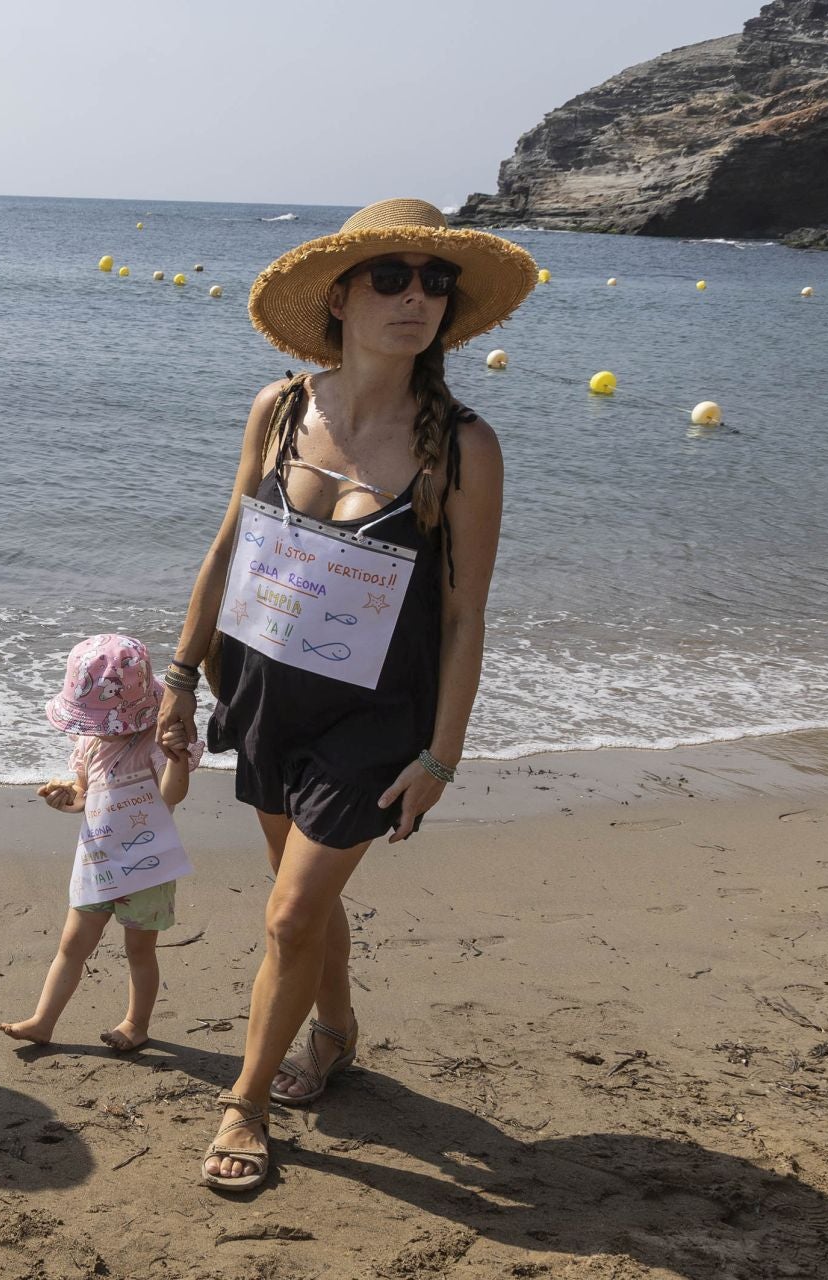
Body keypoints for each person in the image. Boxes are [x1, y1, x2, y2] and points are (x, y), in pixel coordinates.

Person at [156, 199, 534, 1191]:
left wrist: (441, 756)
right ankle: (336, 1028)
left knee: (287, 916)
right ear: (340, 294)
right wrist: (182, 675)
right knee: (301, 897)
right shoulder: (280, 409)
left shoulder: (463, 447)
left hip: (377, 718)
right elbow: (230, 545)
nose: (417, 297)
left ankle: (244, 1105)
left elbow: (462, 617)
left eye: (435, 280)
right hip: (267, 693)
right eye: (391, 276)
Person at [0, 635, 202, 1053]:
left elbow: (172, 795)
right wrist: (66, 801)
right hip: (97, 859)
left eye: (97, 721)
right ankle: (43, 1020)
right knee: (71, 946)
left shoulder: (156, 741)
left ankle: (136, 1023)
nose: (92, 730)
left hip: (147, 866)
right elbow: (86, 795)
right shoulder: (89, 743)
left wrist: (177, 758)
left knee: (139, 950)